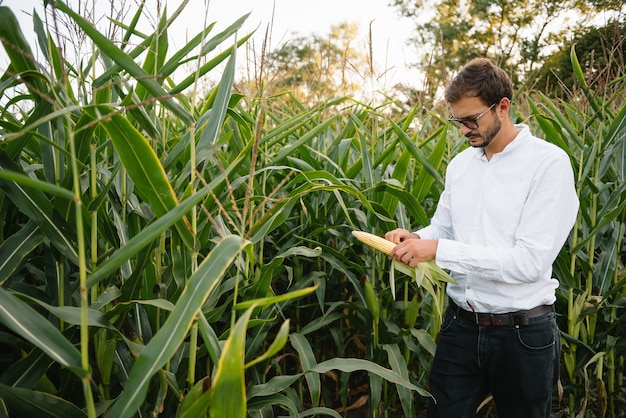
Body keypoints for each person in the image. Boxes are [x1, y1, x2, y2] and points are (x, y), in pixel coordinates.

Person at [385, 58, 579, 417]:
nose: (464, 130)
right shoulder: (461, 166)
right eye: (458, 120)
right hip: (461, 326)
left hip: (522, 333)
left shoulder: (548, 164)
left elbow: (528, 263)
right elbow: (443, 228)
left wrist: (439, 250)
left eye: (472, 119)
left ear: (502, 107)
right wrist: (414, 237)